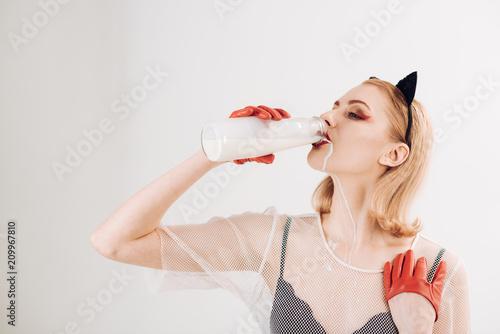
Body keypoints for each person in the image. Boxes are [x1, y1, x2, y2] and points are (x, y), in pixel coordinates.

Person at [90, 72, 471, 333]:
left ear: (394, 154)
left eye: (354, 114)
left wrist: (417, 329)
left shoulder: (439, 272)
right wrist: (213, 154)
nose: (327, 118)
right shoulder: (275, 240)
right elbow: (115, 242)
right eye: (334, 106)